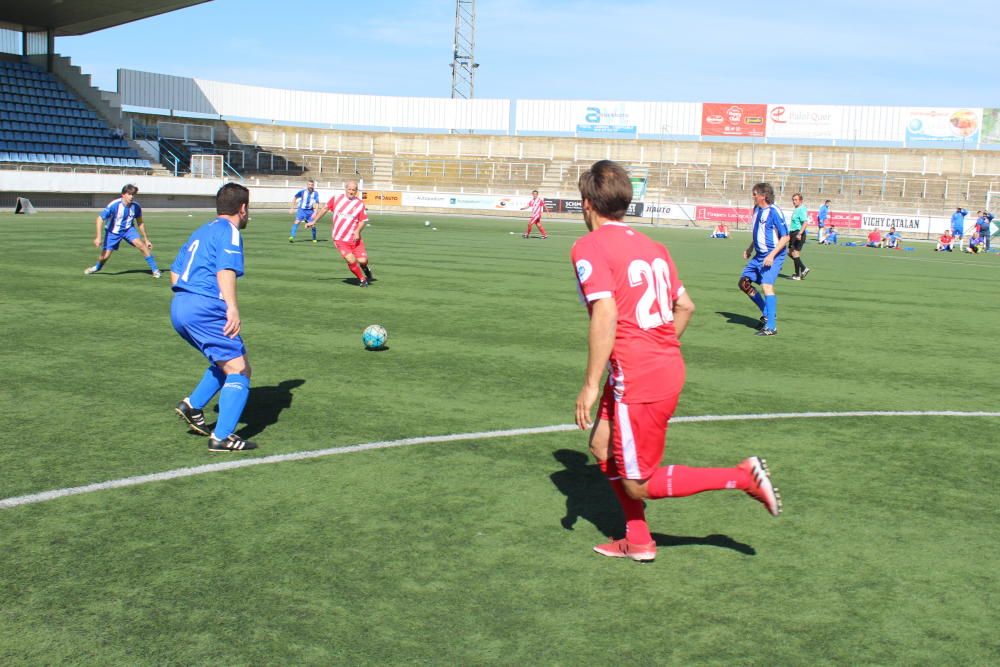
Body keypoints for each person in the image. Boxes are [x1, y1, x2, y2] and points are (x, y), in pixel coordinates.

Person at [570, 160, 781, 563]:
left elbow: (606, 313)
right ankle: (639, 539)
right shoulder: (654, 247)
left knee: (638, 484)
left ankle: (742, 477)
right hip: (657, 365)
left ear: (586, 204)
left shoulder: (589, 246)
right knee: (600, 445)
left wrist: (591, 383)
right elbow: (685, 307)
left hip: (636, 374)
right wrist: (658, 345)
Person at [171, 183, 257, 452]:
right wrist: (231, 307)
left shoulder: (201, 230)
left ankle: (192, 406)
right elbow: (225, 270)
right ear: (242, 209)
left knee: (226, 360)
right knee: (240, 369)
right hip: (206, 307)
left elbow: (175, 271)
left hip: (180, 304)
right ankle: (222, 437)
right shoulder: (229, 231)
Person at [738, 182, 789, 336]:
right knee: (743, 283)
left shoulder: (774, 212)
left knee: (767, 286)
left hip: (774, 255)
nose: (753, 197)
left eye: (755, 194)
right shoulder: (756, 209)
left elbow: (786, 237)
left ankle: (771, 327)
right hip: (759, 255)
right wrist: (750, 248)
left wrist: (771, 255)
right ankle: (766, 313)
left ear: (763, 196)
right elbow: (758, 233)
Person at [84, 184, 162, 278]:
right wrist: (98, 237)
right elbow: (99, 219)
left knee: (142, 245)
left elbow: (140, 222)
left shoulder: (136, 206)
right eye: (129, 194)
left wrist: (146, 239)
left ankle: (155, 270)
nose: (132, 197)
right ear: (123, 194)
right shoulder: (114, 205)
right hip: (113, 232)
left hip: (129, 230)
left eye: (133, 194)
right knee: (104, 257)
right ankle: (97, 267)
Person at [308, 180, 373, 286]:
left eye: (354, 190)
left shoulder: (359, 204)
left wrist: (357, 231)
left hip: (355, 239)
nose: (351, 192)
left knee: (363, 261)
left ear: (357, 191)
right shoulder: (337, 198)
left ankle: (365, 268)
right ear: (345, 189)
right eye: (349, 189)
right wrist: (314, 221)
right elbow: (325, 209)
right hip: (339, 239)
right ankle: (362, 279)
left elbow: (363, 221)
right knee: (350, 260)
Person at [289, 179, 321, 243]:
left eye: (312, 185)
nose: (310, 186)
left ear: (313, 185)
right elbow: (295, 197)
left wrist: (315, 212)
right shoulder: (302, 192)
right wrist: (292, 208)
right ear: (307, 185)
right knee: (297, 222)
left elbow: (317, 203)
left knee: (313, 225)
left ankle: (314, 238)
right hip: (302, 210)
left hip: (310, 211)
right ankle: (292, 237)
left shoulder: (315, 193)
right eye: (309, 184)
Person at [788, 193, 811, 279]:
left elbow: (805, 222)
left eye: (796, 200)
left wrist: (800, 233)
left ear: (800, 200)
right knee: (791, 252)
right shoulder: (797, 209)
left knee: (794, 253)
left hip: (797, 233)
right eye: (793, 200)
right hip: (793, 233)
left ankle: (802, 270)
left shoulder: (801, 209)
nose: (794, 201)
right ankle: (798, 273)